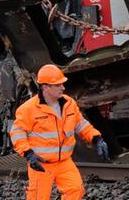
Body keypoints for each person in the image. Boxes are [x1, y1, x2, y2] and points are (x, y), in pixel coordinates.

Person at [9, 64, 110, 200]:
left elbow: (81, 124)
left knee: (76, 190)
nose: (63, 87)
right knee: (38, 197)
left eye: (62, 84)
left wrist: (97, 139)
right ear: (45, 87)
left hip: (64, 161)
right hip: (41, 164)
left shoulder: (69, 104)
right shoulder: (28, 109)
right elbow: (17, 132)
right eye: (58, 85)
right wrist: (28, 154)